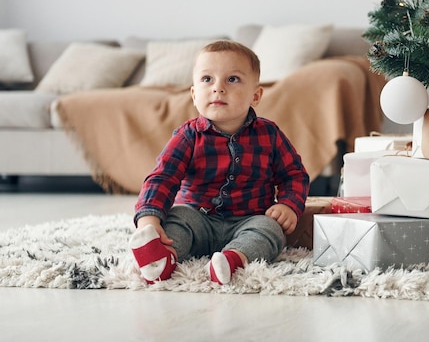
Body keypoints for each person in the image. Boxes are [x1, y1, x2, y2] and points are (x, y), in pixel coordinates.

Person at [129, 40, 310, 285]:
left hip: (249, 219)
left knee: (270, 230)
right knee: (176, 220)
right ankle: (163, 259)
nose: (218, 88)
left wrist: (288, 204)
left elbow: (294, 175)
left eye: (232, 79)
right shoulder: (187, 136)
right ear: (194, 95)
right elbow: (163, 177)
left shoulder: (270, 133)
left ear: (255, 96)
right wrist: (148, 219)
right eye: (207, 79)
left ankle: (234, 259)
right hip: (197, 217)